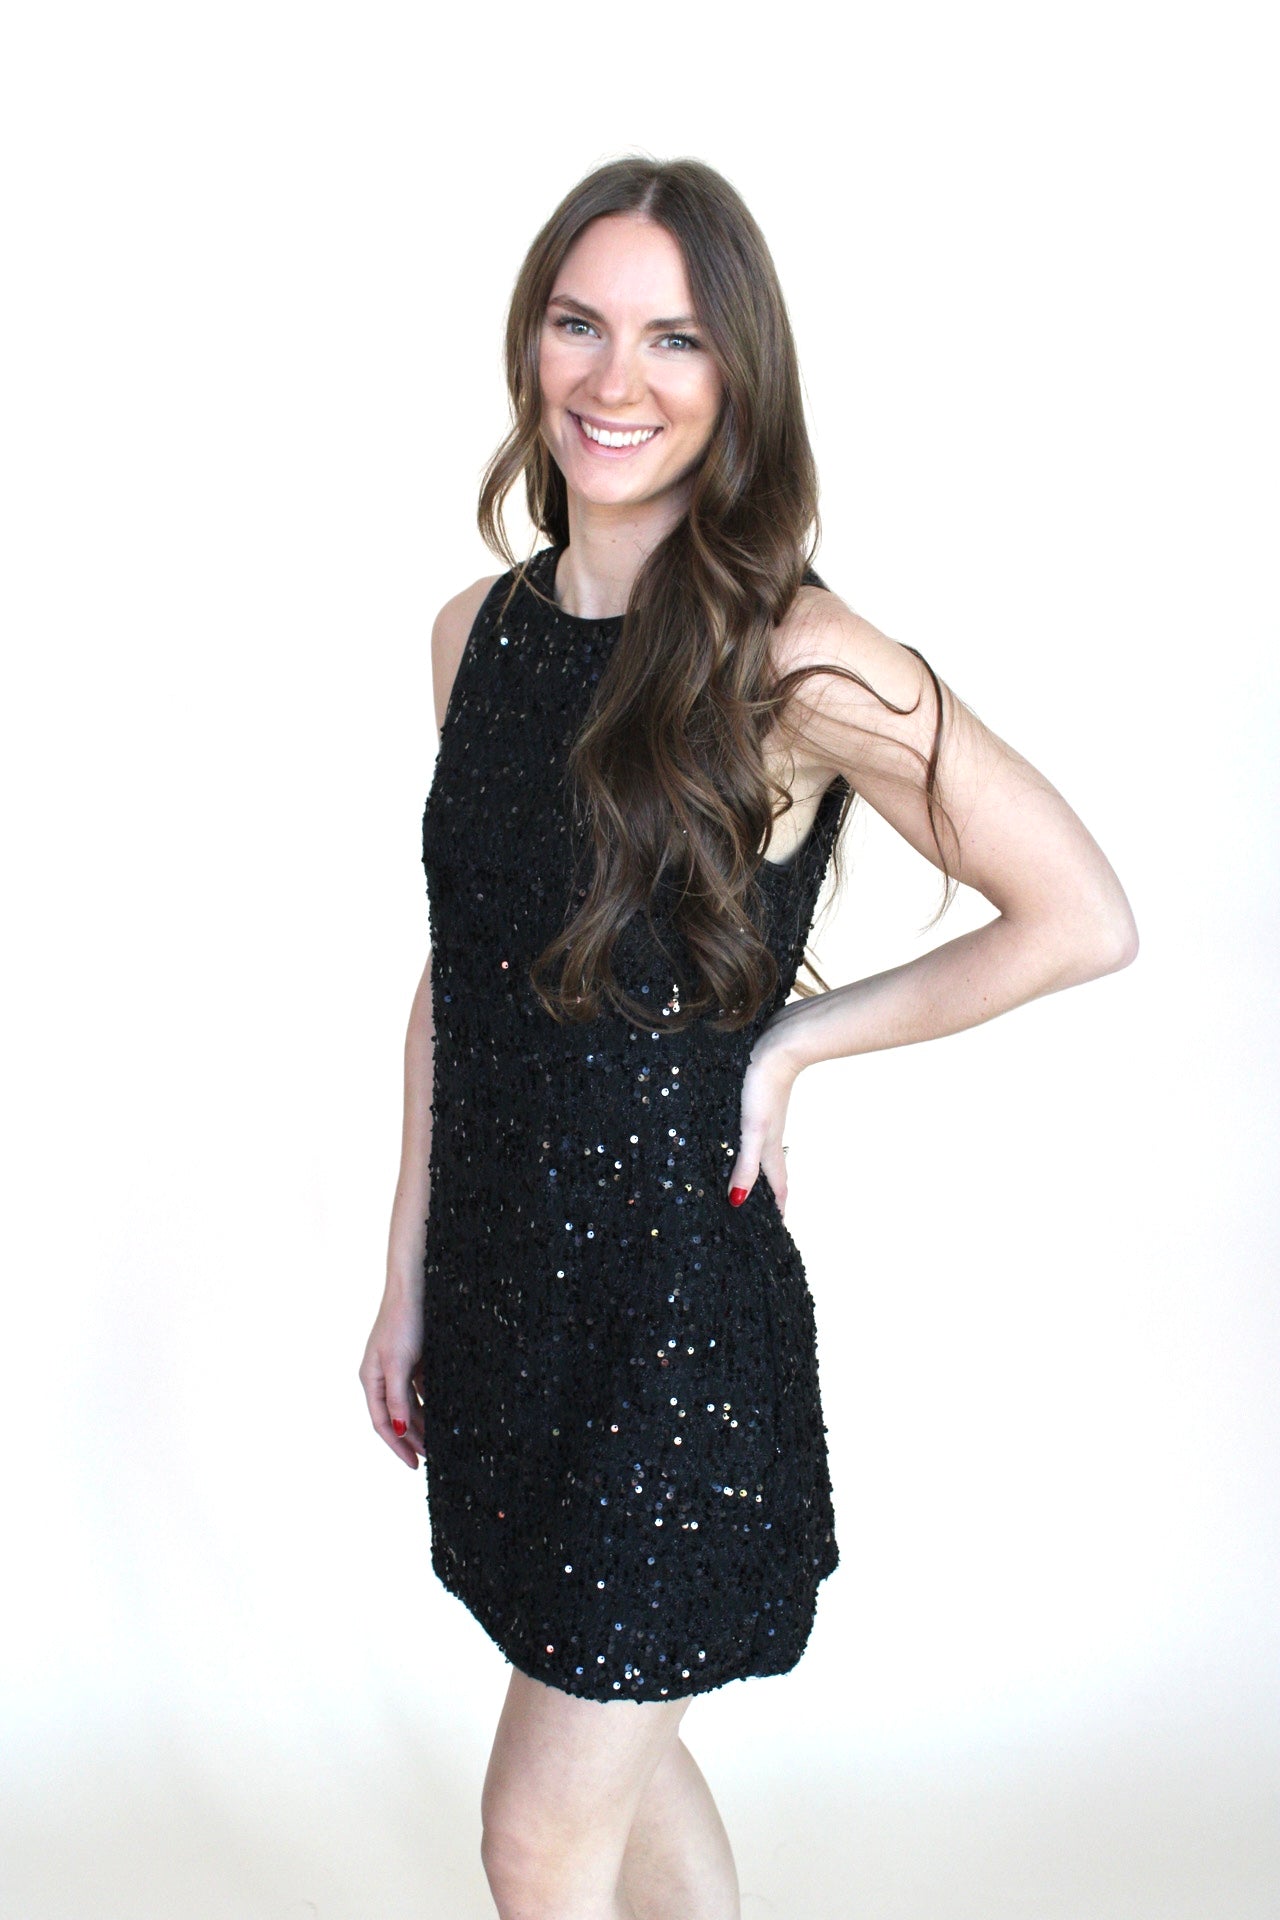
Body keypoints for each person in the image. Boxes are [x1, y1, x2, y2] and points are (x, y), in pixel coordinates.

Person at [359, 155, 1138, 1920]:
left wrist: (786, 1050)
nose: (613, 379)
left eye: (673, 339)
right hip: (503, 1295)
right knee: (623, 1765)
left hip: (666, 1323)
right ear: (530, 341)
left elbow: (1080, 914)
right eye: (579, 324)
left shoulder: (798, 656)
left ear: (739, 376)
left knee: (536, 1830)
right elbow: (458, 979)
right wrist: (403, 1277)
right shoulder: (472, 636)